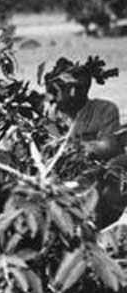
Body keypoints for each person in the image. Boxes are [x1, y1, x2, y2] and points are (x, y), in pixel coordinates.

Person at [43, 56, 125, 225]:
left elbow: (108, 147)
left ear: (73, 91)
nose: (50, 96)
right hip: (60, 187)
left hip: (101, 188)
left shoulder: (104, 110)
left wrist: (72, 146)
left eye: (55, 91)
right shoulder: (50, 116)